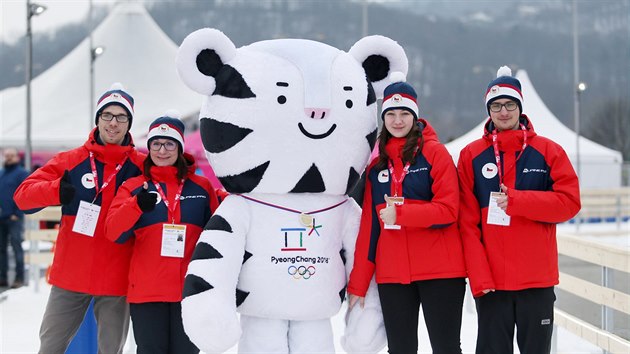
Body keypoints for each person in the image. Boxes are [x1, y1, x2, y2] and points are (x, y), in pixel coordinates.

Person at [13, 83, 145, 354]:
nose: (113, 123)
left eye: (121, 117)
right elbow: (22, 197)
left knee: (112, 350)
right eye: (107, 115)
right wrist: (55, 190)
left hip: (116, 277)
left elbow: (176, 182)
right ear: (97, 119)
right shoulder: (70, 160)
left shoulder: (142, 166)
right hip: (71, 274)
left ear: (129, 123)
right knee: (50, 346)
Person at [457, 66, 581, 354]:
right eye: (496, 105)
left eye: (510, 104)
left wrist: (518, 202)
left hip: (536, 280)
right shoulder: (471, 155)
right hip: (492, 284)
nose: (503, 112)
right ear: (488, 110)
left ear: (520, 107)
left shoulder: (549, 151)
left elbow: (569, 203)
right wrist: (479, 275)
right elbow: (467, 223)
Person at [348, 79, 467, 354]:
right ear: (383, 118)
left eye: (404, 114)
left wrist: (401, 213)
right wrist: (359, 283)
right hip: (394, 275)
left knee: (446, 348)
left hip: (441, 271)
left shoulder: (435, 154)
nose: (398, 120)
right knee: (400, 349)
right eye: (391, 114)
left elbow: (449, 210)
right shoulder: (377, 166)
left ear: (415, 116)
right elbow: (370, 228)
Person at [105, 111, 219, 354]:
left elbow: (218, 234)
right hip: (147, 292)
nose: (162, 150)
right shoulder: (134, 187)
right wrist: (136, 205)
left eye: (169, 144)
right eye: (156, 144)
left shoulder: (202, 187)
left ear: (179, 148)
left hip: (189, 292)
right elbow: (113, 232)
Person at [0, 148, 29, 288]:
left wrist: (17, 213)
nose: (9, 158)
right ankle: (2, 278)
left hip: (14, 219)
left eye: (11, 156)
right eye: (6, 156)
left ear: (17, 157)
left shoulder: (22, 173)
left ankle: (19, 278)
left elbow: (25, 193)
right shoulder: (1, 173)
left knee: (17, 247)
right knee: (1, 249)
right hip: (2, 217)